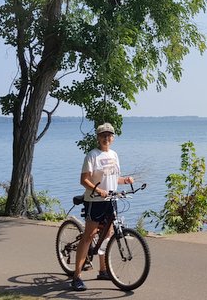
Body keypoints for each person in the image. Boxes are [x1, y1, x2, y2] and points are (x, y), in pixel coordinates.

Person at [71, 122, 134, 292]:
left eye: (109, 135)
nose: (106, 138)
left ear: (113, 138)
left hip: (110, 200)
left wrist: (125, 180)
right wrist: (98, 190)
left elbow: (114, 178)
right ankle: (76, 277)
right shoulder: (92, 155)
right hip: (95, 201)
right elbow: (84, 180)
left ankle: (103, 270)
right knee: (89, 236)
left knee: (107, 234)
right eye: (103, 135)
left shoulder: (114, 155)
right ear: (98, 138)